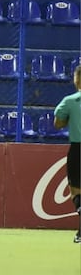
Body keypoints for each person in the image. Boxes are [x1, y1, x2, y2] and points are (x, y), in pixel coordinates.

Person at [52, 65, 81, 244]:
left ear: (77, 79)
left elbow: (58, 123)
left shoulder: (70, 100)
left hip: (78, 150)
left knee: (76, 192)